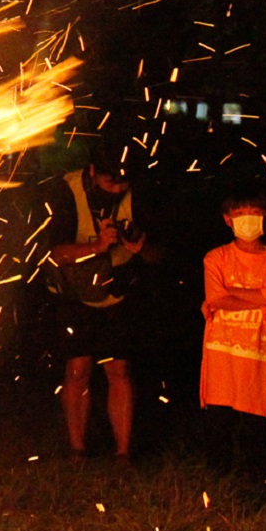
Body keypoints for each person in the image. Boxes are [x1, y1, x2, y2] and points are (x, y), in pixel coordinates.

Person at [44, 144, 152, 458]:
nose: (116, 189)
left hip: (116, 291)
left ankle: (123, 453)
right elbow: (55, 253)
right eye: (109, 183)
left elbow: (160, 253)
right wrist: (97, 247)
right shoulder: (66, 190)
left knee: (119, 369)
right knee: (78, 369)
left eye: (122, 184)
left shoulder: (136, 193)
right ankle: (77, 450)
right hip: (73, 292)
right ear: (93, 173)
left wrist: (139, 248)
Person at [200, 192, 266, 426]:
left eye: (254, 213)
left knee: (255, 419)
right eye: (240, 214)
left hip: (259, 353)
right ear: (228, 219)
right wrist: (263, 296)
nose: (247, 219)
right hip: (222, 355)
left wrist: (229, 290)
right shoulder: (216, 257)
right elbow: (216, 299)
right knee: (221, 418)